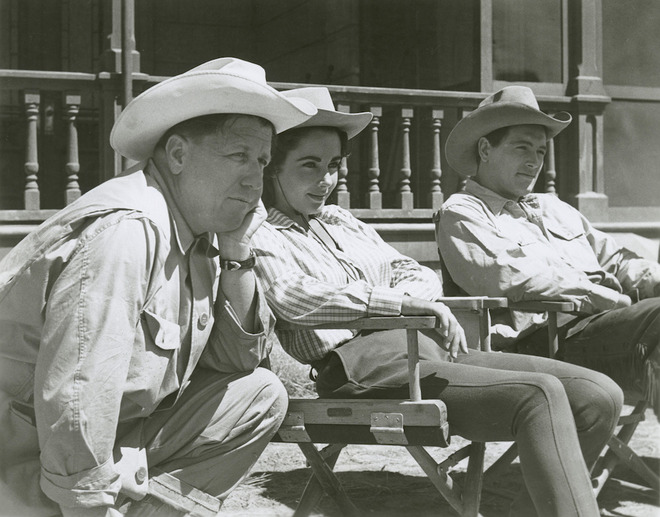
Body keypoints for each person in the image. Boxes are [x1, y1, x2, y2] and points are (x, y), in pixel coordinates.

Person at [251, 86, 623, 517]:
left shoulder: (341, 220)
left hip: (430, 352)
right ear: (273, 166)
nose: (326, 180)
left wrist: (409, 301)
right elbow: (293, 297)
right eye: (309, 165)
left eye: (333, 165)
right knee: (537, 395)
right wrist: (398, 306)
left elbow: (415, 272)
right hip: (362, 368)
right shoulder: (261, 231)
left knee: (598, 395)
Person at [0, 57, 318, 517]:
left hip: (100, 446)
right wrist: (86, 504)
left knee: (259, 395)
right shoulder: (127, 231)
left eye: (263, 161)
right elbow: (77, 398)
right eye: (237, 156)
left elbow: (238, 362)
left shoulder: (201, 234)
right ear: (177, 154)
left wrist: (237, 253)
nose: (254, 179)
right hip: (23, 460)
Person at [435, 85, 660, 414]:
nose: (533, 162)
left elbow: (616, 259)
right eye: (522, 148)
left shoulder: (552, 207)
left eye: (540, 152)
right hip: (545, 343)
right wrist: (608, 298)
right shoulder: (462, 213)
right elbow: (515, 278)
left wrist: (652, 279)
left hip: (606, 329)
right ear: (485, 149)